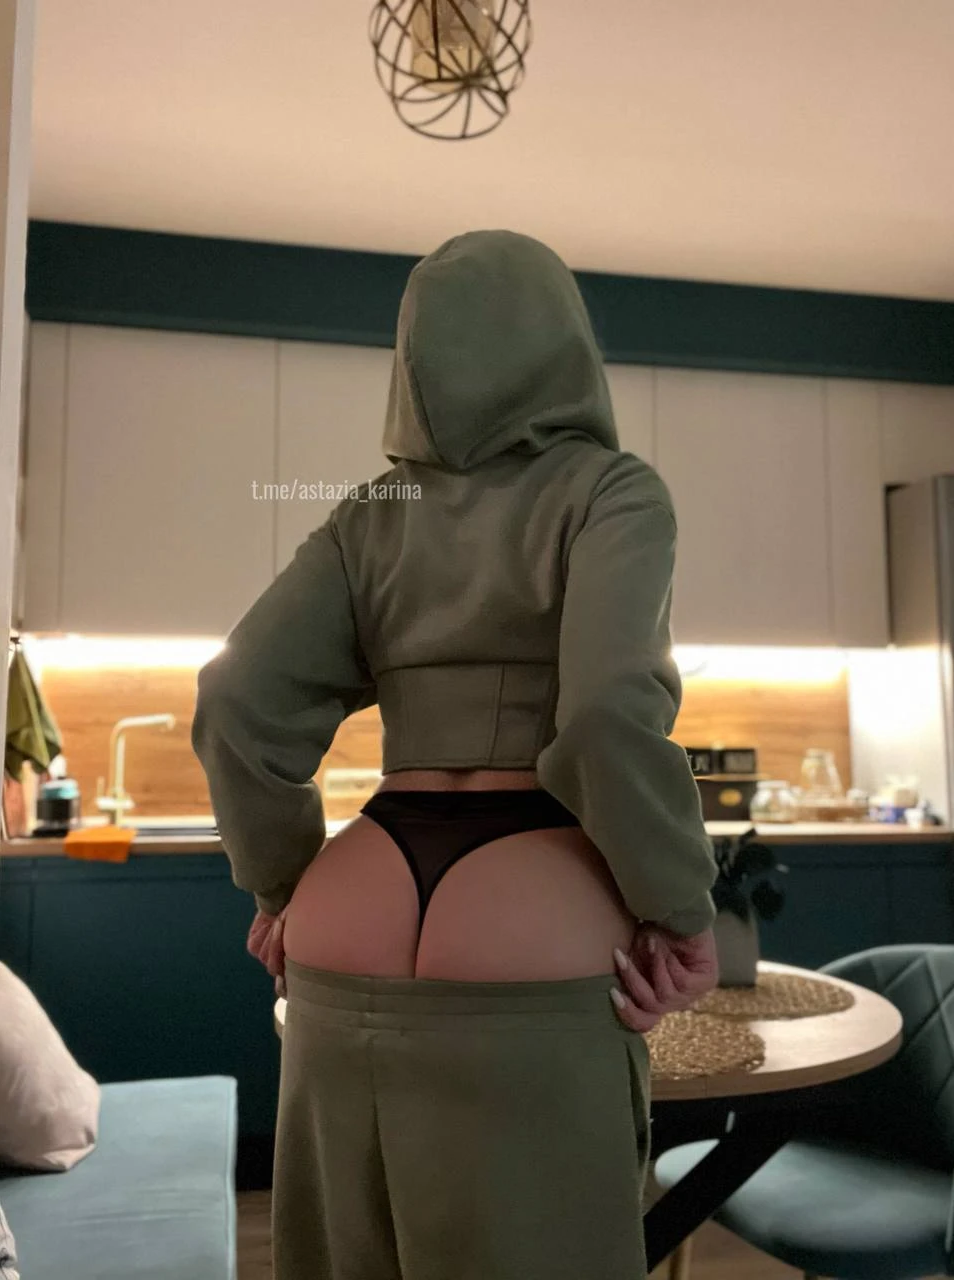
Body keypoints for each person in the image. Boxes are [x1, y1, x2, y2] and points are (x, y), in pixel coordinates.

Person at [192, 229, 719, 1280]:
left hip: (358, 894)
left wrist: (283, 884)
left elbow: (235, 702)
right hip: (532, 895)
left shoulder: (371, 516)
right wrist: (680, 909)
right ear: (567, 346)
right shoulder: (611, 490)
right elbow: (607, 714)